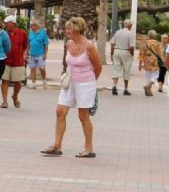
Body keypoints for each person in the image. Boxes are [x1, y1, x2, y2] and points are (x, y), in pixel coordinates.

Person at [41, 17, 101, 158]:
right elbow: (66, 63)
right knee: (60, 111)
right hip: (69, 83)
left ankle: (89, 148)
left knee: (83, 116)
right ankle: (57, 145)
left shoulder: (89, 46)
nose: (66, 31)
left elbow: (98, 67)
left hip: (85, 84)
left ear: (77, 29)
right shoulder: (69, 44)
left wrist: (91, 83)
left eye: (69, 28)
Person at [0, 15, 28, 109]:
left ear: (13, 24)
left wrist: (24, 54)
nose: (5, 25)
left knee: (18, 82)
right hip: (5, 60)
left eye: (7, 23)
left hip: (18, 61)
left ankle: (15, 96)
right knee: (5, 81)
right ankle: (4, 101)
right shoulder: (3, 33)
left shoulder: (22, 33)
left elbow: (26, 45)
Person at [110, 19, 136, 96]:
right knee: (126, 70)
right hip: (126, 51)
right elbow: (131, 47)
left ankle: (114, 86)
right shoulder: (130, 34)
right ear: (130, 25)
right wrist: (132, 55)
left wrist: (112, 53)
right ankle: (126, 89)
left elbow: (112, 43)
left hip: (116, 51)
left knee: (116, 69)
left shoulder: (117, 32)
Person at [139, 30, 163, 97]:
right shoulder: (157, 43)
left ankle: (149, 91)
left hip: (146, 60)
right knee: (156, 75)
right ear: (154, 35)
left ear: (148, 35)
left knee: (148, 76)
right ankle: (147, 86)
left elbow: (141, 53)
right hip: (155, 61)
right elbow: (160, 54)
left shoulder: (145, 43)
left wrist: (140, 64)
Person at [27, 19, 49, 88]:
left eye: (32, 26)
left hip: (40, 54)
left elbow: (46, 44)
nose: (31, 27)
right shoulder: (30, 33)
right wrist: (26, 52)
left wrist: (45, 54)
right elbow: (29, 44)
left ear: (36, 26)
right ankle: (34, 84)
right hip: (32, 54)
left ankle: (44, 80)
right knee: (32, 69)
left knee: (41, 68)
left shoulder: (43, 33)